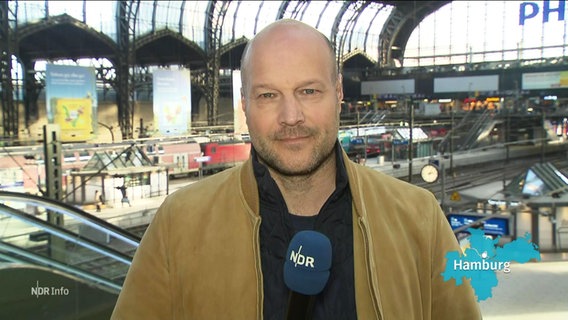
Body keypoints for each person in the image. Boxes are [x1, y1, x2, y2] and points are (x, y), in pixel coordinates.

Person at [112, 19, 481, 319]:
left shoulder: (419, 218)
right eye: (268, 95)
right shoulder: (180, 223)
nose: (291, 117)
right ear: (245, 104)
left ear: (338, 93)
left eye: (308, 91)